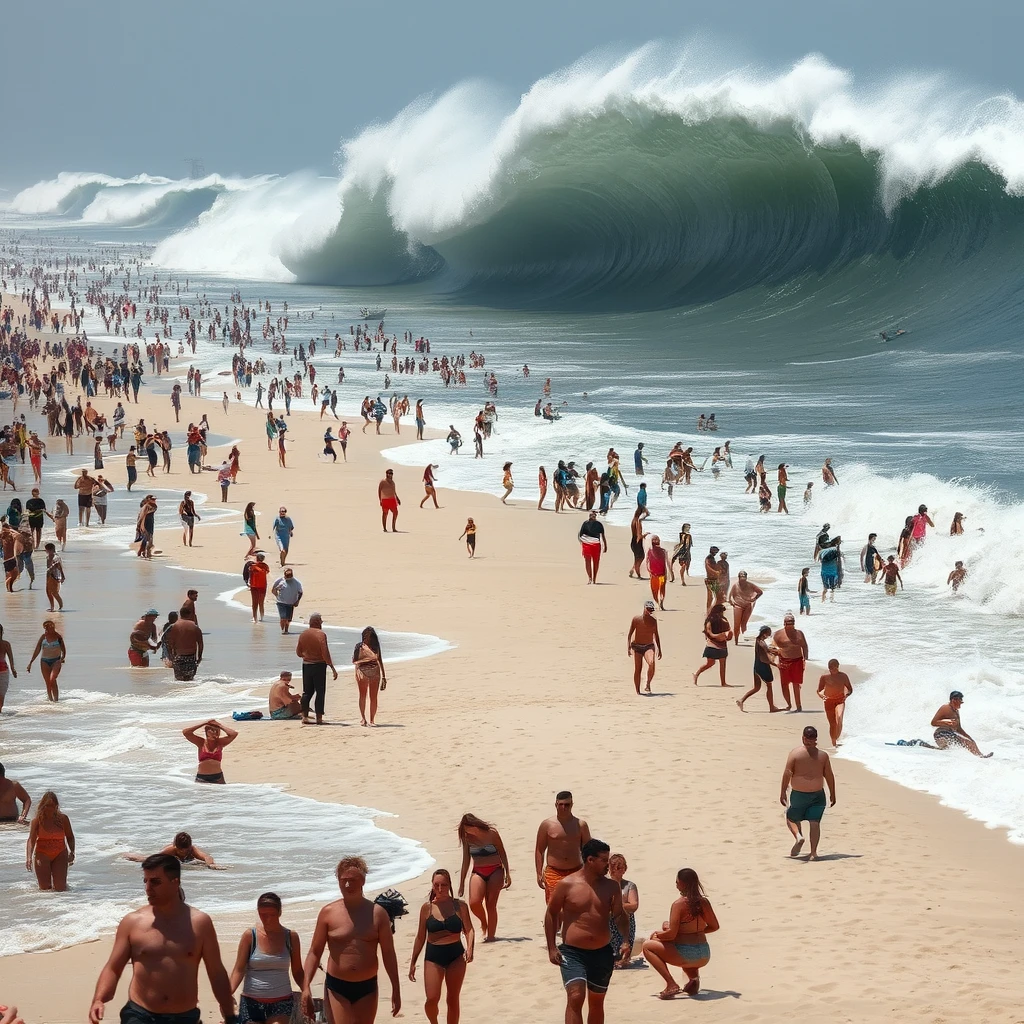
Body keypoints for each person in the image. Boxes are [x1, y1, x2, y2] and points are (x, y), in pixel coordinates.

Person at [89, 853, 236, 1024]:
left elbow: (216, 972)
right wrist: (99, 999)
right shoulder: (132, 922)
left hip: (184, 1017)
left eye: (155, 882)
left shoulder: (199, 923)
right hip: (140, 1014)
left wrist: (229, 1015)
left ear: (175, 882)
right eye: (146, 881)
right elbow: (113, 967)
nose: (148, 888)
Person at [301, 856, 402, 1024]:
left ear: (363, 880)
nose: (347, 885)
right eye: (343, 880)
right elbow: (314, 952)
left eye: (352, 880)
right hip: (337, 987)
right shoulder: (328, 913)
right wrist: (306, 987)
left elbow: (388, 953)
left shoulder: (378, 914)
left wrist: (396, 988)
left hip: (367, 987)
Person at [544, 839, 630, 1024]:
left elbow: (620, 915)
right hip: (572, 952)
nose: (608, 865)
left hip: (602, 952)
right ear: (590, 860)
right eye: (604, 860)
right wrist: (551, 947)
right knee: (575, 995)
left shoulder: (611, 886)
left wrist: (625, 939)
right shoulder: (567, 884)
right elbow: (551, 914)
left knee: (597, 1001)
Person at [641, 868, 720, 999]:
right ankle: (693, 979)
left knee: (648, 946)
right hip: (705, 953)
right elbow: (714, 926)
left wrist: (658, 934)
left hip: (687, 954)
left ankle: (671, 984)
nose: (676, 884)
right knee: (667, 928)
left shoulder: (679, 904)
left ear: (683, 883)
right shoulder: (704, 902)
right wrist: (696, 931)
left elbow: (671, 935)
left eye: (677, 882)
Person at [408, 869, 474, 1024]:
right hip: (433, 957)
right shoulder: (427, 908)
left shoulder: (459, 906)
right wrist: (413, 962)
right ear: (432, 886)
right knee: (431, 999)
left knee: (452, 998)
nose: (439, 889)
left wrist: (470, 948)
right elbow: (420, 937)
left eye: (443, 885)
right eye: (436, 885)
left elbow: (469, 929)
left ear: (449, 885)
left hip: (456, 955)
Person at [229, 892, 305, 1024]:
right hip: (251, 1001)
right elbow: (239, 969)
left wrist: (306, 990)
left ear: (280, 912)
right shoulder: (250, 936)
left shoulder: (291, 937)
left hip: (282, 1001)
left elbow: (298, 971)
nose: (268, 919)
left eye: (272, 915)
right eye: (263, 915)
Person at [780, 725, 837, 859]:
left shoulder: (795, 753)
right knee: (815, 822)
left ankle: (799, 836)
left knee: (791, 817)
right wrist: (833, 793)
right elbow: (829, 775)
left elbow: (787, 773)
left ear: (803, 738)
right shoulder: (823, 756)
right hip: (818, 795)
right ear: (815, 739)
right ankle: (813, 853)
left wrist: (783, 791)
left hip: (799, 794)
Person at [456, 813, 511, 942]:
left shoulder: (491, 833)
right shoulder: (466, 838)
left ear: (474, 825)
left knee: (491, 904)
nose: (466, 833)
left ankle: (491, 936)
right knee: (474, 902)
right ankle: (483, 922)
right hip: (478, 871)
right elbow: (466, 860)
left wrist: (508, 873)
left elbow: (502, 852)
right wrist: (462, 883)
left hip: (495, 869)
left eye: (467, 829)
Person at [535, 792, 591, 902]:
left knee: (576, 905)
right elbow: (539, 850)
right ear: (556, 805)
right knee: (555, 908)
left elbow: (589, 850)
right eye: (561, 804)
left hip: (576, 871)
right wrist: (538, 873)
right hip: (554, 872)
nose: (563, 808)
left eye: (567, 805)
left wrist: (591, 872)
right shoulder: (547, 825)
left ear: (572, 805)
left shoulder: (581, 825)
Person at [25, 790, 75, 891]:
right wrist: (29, 858)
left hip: (60, 853)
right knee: (45, 889)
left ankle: (61, 904)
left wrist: (72, 852)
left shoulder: (63, 819)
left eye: (52, 806)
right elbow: (31, 840)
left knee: (61, 888)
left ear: (57, 806)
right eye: (47, 805)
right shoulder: (37, 821)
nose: (49, 808)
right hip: (42, 854)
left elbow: (70, 837)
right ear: (42, 806)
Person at [297, 613, 339, 726]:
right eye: (320, 621)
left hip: (306, 665)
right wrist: (331, 666)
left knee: (307, 691)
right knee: (320, 691)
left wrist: (308, 655)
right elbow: (325, 651)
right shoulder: (321, 635)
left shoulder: (303, 634)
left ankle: (304, 716)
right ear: (316, 622)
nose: (321, 623)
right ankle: (319, 718)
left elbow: (298, 652)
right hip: (319, 665)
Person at [931, 691, 992, 757]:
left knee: (970, 742)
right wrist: (946, 722)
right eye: (960, 702)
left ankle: (980, 755)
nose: (960, 704)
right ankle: (980, 756)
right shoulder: (945, 708)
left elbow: (958, 729)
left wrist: (968, 737)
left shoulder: (956, 711)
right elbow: (933, 722)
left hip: (949, 734)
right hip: (941, 734)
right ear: (954, 700)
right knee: (966, 742)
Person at [737, 625, 781, 713]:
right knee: (769, 685)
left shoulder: (758, 641)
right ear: (765, 633)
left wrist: (774, 652)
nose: (769, 635)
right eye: (769, 633)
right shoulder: (762, 643)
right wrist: (775, 664)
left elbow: (767, 651)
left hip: (756, 666)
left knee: (756, 688)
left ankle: (741, 700)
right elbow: (764, 658)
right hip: (763, 666)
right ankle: (771, 707)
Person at [125, 831, 222, 869]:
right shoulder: (170, 850)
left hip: (186, 860)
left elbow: (206, 857)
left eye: (186, 850)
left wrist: (211, 864)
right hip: (166, 854)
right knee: (146, 858)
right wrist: (133, 858)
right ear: (176, 846)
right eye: (181, 850)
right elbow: (152, 858)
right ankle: (126, 854)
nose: (184, 852)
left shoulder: (192, 849)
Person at [182, 719, 239, 784]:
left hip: (218, 777)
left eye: (216, 731)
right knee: (200, 794)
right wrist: (204, 723)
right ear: (206, 732)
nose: (214, 732)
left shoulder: (220, 743)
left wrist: (219, 725)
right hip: (202, 777)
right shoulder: (201, 743)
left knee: (220, 794)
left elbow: (234, 734)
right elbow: (186, 732)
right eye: (211, 731)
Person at [608, 854, 638, 969]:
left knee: (623, 955)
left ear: (625, 868)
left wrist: (616, 905)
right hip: (609, 921)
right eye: (614, 867)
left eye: (620, 867)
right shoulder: (605, 885)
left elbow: (634, 905)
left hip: (626, 920)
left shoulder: (629, 886)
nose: (617, 870)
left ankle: (624, 957)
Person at [773, 613, 809, 711]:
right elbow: (773, 647)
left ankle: (798, 705)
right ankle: (789, 704)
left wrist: (805, 658)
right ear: (784, 624)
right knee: (784, 684)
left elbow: (804, 646)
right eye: (788, 623)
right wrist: (775, 657)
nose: (790, 625)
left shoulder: (799, 633)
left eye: (792, 623)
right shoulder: (778, 634)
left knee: (796, 684)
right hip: (784, 661)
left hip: (797, 660)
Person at [352, 626, 386, 727]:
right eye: (365, 636)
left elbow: (380, 660)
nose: (366, 638)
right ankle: (363, 718)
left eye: (368, 636)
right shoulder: (359, 646)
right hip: (361, 672)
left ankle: (372, 720)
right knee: (363, 695)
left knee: (373, 697)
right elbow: (354, 660)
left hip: (375, 672)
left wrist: (384, 676)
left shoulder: (376, 647)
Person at [626, 600, 662, 694]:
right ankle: (638, 691)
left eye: (651, 610)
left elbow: (656, 635)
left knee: (651, 663)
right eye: (648, 609)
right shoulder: (636, 619)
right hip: (637, 646)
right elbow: (630, 634)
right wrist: (628, 647)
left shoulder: (653, 621)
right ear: (644, 608)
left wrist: (659, 649)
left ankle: (648, 684)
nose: (650, 611)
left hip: (648, 646)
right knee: (638, 668)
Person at [27, 619, 66, 701]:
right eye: (45, 628)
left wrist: (62, 659)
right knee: (48, 682)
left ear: (53, 628)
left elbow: (64, 650)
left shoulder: (58, 637)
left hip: (56, 661)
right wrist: (31, 662)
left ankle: (56, 700)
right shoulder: (43, 637)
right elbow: (37, 649)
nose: (46, 630)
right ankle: (51, 700)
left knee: (52, 679)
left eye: (48, 628)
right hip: (44, 661)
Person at [693, 604, 731, 686]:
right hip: (712, 644)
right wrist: (717, 636)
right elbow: (709, 632)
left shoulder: (724, 620)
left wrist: (728, 636)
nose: (721, 614)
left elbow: (728, 632)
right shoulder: (710, 620)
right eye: (721, 612)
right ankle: (696, 674)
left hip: (723, 645)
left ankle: (723, 683)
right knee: (710, 663)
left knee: (722, 663)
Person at [817, 660, 853, 746]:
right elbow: (819, 690)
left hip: (840, 700)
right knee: (832, 723)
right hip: (829, 701)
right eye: (831, 668)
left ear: (838, 666)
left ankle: (836, 736)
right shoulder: (824, 677)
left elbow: (850, 689)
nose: (833, 670)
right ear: (829, 668)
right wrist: (821, 696)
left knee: (839, 718)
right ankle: (834, 742)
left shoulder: (843, 676)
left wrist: (847, 695)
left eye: (835, 668)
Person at [162, 613, 204, 681]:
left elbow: (169, 643)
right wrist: (199, 657)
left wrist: (171, 656)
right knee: (190, 680)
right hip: (191, 657)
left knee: (179, 681)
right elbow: (200, 643)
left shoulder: (174, 627)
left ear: (180, 615)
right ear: (190, 616)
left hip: (179, 657)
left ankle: (180, 691)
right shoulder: (194, 627)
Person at [727, 571, 763, 644]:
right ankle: (736, 640)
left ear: (746, 578)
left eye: (744, 577)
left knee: (743, 623)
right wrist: (731, 602)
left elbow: (760, 592)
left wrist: (755, 598)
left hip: (748, 606)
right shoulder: (735, 585)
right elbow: (730, 596)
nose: (743, 579)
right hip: (738, 605)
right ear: (739, 578)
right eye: (741, 577)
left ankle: (745, 637)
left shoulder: (750, 585)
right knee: (736, 624)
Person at [577, 511, 607, 585]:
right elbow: (580, 534)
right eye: (591, 515)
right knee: (587, 561)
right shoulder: (585, 523)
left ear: (595, 516)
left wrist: (605, 546)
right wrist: (582, 542)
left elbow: (603, 536)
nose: (592, 516)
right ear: (589, 516)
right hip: (586, 544)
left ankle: (594, 579)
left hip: (596, 544)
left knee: (596, 562)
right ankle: (590, 578)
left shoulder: (599, 525)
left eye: (593, 515)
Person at [271, 568, 303, 635]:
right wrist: (276, 594)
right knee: (283, 618)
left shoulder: (297, 583)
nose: (288, 578)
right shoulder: (279, 581)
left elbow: (300, 592)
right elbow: (273, 590)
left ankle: (286, 630)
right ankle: (283, 630)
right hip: (281, 602)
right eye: (286, 576)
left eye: (289, 576)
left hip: (291, 603)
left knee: (288, 619)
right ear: (284, 575)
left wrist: (297, 601)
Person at [646, 535, 668, 608]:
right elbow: (666, 563)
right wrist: (669, 573)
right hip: (662, 574)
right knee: (662, 589)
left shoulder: (650, 551)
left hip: (654, 574)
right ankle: (661, 601)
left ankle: (658, 603)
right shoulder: (663, 551)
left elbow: (647, 562)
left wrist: (649, 571)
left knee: (655, 591)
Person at [248, 551, 270, 622]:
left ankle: (254, 618)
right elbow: (267, 572)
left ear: (257, 558)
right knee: (261, 602)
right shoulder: (265, 566)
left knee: (254, 603)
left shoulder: (252, 566)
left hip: (254, 585)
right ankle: (262, 617)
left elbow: (249, 573)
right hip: (263, 585)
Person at [0, 624, 18, 715]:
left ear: (1, 632)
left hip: (3, 672)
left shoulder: (6, 644)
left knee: (2, 695)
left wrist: (13, 669)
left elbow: (11, 657)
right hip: (4, 671)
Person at [627, 509, 647, 580]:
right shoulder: (638, 522)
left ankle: (632, 570)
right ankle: (639, 576)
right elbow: (639, 535)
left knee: (636, 558)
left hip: (633, 541)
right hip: (637, 542)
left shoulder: (633, 521)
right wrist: (645, 535)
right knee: (641, 557)